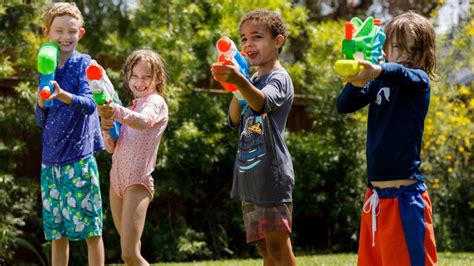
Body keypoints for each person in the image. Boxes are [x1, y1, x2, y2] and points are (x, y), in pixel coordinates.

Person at [336, 11, 438, 266]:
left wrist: (380, 69)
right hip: (376, 199)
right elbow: (344, 105)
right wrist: (358, 80)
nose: (401, 55)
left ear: (421, 54)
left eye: (408, 49)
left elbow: (402, 73)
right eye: (394, 46)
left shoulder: (418, 81)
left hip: (406, 200)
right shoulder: (378, 84)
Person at [211, 9, 296, 266]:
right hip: (250, 176)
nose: (248, 44)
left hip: (272, 176)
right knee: (265, 250)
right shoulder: (253, 79)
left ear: (278, 41)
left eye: (256, 37)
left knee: (278, 248)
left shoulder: (278, 78)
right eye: (244, 38)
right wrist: (238, 85)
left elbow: (261, 103)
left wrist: (241, 81)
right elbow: (234, 119)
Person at [35, 2, 105, 265]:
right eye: (59, 31)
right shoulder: (46, 66)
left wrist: (62, 94)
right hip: (50, 162)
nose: (65, 37)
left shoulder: (84, 64)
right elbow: (40, 120)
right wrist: (42, 102)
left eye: (71, 32)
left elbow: (90, 105)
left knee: (91, 229)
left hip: (79, 160)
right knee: (57, 233)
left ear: (81, 34)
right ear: (48, 33)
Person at [97, 49, 168, 265]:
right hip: (116, 180)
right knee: (129, 254)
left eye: (146, 76)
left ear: (157, 78)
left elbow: (144, 121)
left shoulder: (155, 102)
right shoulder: (130, 107)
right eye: (134, 76)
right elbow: (112, 148)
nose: (140, 82)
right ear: (127, 77)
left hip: (137, 181)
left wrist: (115, 111)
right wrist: (106, 129)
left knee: (129, 254)